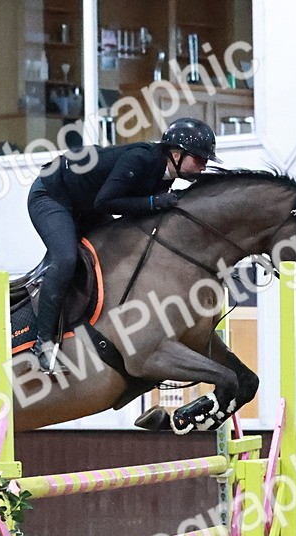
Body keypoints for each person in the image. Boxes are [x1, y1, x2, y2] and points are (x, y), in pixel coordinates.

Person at [27, 117, 219, 373]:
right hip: (52, 195)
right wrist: (153, 202)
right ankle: (43, 344)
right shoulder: (140, 159)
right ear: (176, 154)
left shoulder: (166, 174)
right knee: (66, 259)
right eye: (199, 159)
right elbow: (106, 202)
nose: (204, 166)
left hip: (86, 203)